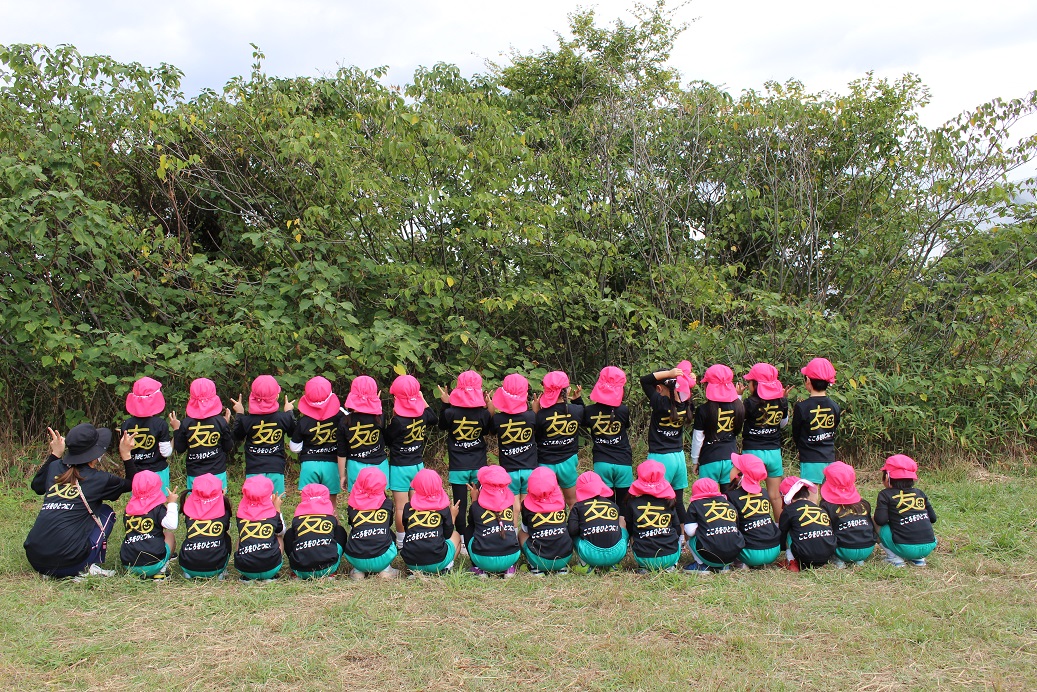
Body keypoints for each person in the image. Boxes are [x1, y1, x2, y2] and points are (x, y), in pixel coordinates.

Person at [24, 424, 137, 578]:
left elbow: (37, 486)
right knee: (106, 512)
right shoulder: (100, 479)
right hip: (70, 564)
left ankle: (52, 569)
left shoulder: (55, 467)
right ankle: (88, 567)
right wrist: (126, 454)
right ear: (96, 453)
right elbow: (133, 484)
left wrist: (55, 454)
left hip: (36, 560)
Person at [385, 374, 439, 549]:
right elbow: (434, 418)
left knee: (401, 507)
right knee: (417, 505)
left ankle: (401, 541)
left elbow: (387, 439)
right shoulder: (423, 415)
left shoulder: (398, 421)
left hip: (399, 467)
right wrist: (422, 400)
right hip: (417, 466)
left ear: (396, 398)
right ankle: (416, 536)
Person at [437, 370, 491, 542]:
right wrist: (488, 407)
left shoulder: (450, 413)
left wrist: (445, 404)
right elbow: (487, 430)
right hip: (479, 465)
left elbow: (441, 425)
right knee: (480, 501)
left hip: (458, 465)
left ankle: (461, 536)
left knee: (459, 502)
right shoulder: (483, 414)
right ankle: (479, 533)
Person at [640, 362, 695, 525]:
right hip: (679, 458)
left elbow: (644, 380)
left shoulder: (660, 402)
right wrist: (686, 380)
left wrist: (670, 373)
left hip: (660, 458)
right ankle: (683, 535)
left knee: (657, 500)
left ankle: (661, 532)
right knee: (678, 501)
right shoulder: (686, 404)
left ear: (659, 388)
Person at [231, 375, 297, 495]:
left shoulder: (246, 421)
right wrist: (289, 412)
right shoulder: (284, 418)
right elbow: (294, 433)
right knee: (276, 503)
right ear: (277, 396)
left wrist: (239, 414)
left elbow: (236, 436)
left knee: (254, 502)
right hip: (276, 468)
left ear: (252, 396)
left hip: (254, 469)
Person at [740, 363, 790, 519]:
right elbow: (783, 423)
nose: (748, 385)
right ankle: (780, 529)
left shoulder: (749, 403)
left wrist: (738, 397)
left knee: (749, 494)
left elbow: (738, 419)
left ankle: (753, 527)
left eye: (750, 382)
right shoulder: (782, 401)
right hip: (774, 452)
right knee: (775, 496)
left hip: (752, 453)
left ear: (756, 385)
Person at [580, 366, 633, 506]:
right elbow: (626, 426)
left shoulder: (590, 411)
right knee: (624, 505)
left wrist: (577, 401)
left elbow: (583, 420)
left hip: (601, 462)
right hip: (623, 461)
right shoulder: (624, 410)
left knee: (606, 505)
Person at [170, 378, 234, 491]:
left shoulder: (186, 423)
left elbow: (180, 448)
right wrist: (225, 425)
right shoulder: (220, 421)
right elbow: (228, 447)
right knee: (218, 500)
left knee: (196, 501)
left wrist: (176, 429)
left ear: (191, 398)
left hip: (195, 474)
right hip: (217, 472)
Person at [874, 455, 937, 567]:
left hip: (905, 547)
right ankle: (919, 559)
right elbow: (933, 518)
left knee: (872, 521)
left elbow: (880, 520)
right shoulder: (919, 493)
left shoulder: (885, 494)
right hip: (929, 546)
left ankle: (894, 557)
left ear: (887, 477)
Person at [532, 371, 584, 506]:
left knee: (546, 503)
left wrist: (534, 413)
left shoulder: (541, 415)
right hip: (568, 461)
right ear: (568, 390)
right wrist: (577, 400)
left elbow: (534, 436)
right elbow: (584, 416)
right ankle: (574, 521)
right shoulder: (577, 410)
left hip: (545, 463)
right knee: (573, 501)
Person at [290, 376, 343, 505]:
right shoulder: (340, 415)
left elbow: (294, 448)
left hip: (309, 464)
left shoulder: (303, 421)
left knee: (308, 504)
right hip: (331, 464)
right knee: (331, 505)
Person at [487, 373, 538, 502]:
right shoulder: (531, 416)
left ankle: (513, 517)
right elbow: (539, 430)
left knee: (512, 505)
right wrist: (536, 411)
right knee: (527, 505)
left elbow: (491, 432)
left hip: (508, 469)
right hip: (530, 468)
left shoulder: (497, 419)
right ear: (525, 395)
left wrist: (490, 411)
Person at [691, 365, 744, 488]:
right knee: (729, 496)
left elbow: (698, 438)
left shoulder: (703, 409)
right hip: (731, 458)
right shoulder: (738, 406)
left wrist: (695, 461)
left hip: (709, 459)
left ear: (708, 386)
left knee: (707, 495)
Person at [725, 453, 781, 568]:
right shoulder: (764, 493)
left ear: (740, 474)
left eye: (733, 466)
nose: (731, 469)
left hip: (750, 554)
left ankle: (739, 561)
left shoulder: (730, 497)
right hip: (774, 550)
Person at [401, 469, 462, 575]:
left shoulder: (408, 507)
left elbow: (407, 529)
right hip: (437, 562)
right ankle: (447, 566)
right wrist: (452, 515)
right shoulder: (442, 508)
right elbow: (447, 535)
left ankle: (416, 572)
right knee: (456, 535)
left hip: (411, 563)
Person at [120, 470, 179, 580]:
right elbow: (172, 525)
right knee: (169, 535)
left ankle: (136, 573)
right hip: (153, 562)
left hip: (129, 564)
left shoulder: (128, 509)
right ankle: (161, 572)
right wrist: (171, 503)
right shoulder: (157, 508)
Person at [624, 460, 680, 573]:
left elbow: (630, 529)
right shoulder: (669, 501)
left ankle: (645, 568)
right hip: (670, 555)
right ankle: (671, 566)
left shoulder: (632, 502)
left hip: (644, 558)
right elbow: (677, 528)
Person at [465, 465, 521, 577]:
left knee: (469, 529)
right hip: (511, 556)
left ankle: (478, 568)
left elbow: (473, 524)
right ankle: (510, 568)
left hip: (484, 560)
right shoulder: (509, 504)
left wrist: (474, 500)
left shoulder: (476, 507)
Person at [791, 358, 840, 485]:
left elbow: (796, 433)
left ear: (808, 380)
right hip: (829, 456)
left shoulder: (801, 407)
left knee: (811, 492)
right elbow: (834, 428)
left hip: (809, 458)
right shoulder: (834, 406)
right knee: (828, 492)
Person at [343, 466, 398, 579]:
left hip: (356, 558)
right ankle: (385, 569)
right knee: (389, 533)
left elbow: (353, 525)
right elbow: (387, 525)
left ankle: (358, 571)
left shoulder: (352, 506)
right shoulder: (387, 504)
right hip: (383, 557)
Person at [121, 376, 173, 493]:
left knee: (139, 501)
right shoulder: (160, 424)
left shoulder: (126, 425)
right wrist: (176, 433)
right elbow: (166, 452)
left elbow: (125, 451)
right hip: (158, 472)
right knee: (159, 501)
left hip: (136, 474)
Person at [284, 483, 348, 579]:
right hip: (328, 568)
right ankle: (332, 571)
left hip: (300, 570)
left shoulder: (297, 519)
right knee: (340, 530)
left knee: (289, 533)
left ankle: (295, 571)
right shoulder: (330, 518)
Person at [337, 375, 388, 494]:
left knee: (358, 501)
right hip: (380, 466)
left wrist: (342, 475)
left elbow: (342, 452)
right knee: (379, 500)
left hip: (355, 467)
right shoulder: (380, 417)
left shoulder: (344, 421)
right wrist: (375, 403)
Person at [819, 461, 875, 568]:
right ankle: (859, 560)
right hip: (867, 548)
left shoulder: (826, 506)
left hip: (843, 550)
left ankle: (837, 560)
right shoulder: (863, 504)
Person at [519, 467, 574, 574]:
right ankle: (561, 568)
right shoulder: (561, 502)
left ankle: (534, 566)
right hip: (564, 558)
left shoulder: (526, 505)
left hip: (539, 560)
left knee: (522, 533)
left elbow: (526, 529)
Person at [683, 478, 744, 573]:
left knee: (687, 531)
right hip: (733, 553)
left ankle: (701, 565)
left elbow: (690, 531)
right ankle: (724, 566)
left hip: (709, 553)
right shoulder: (728, 503)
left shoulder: (695, 505)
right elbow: (736, 526)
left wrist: (705, 526)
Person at [570, 471, 627, 573]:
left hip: (590, 555)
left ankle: (584, 566)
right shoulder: (613, 505)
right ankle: (614, 565)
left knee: (571, 532)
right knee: (622, 527)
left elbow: (572, 530)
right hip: (617, 553)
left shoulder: (578, 506)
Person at [179, 473, 233, 579]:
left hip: (188, 566)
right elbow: (226, 528)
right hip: (216, 567)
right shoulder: (224, 511)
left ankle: (188, 574)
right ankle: (221, 571)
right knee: (226, 537)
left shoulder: (189, 510)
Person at [234, 475, 285, 582]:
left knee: (241, 537)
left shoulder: (240, 514)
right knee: (278, 535)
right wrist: (277, 509)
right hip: (271, 568)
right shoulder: (273, 515)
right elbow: (281, 531)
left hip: (246, 569)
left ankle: (247, 577)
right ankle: (272, 574)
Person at [778, 476, 836, 570]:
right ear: (807, 492)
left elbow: (782, 533)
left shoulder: (789, 510)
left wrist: (780, 548)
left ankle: (791, 561)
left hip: (804, 557)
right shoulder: (820, 509)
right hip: (827, 554)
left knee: (788, 529)